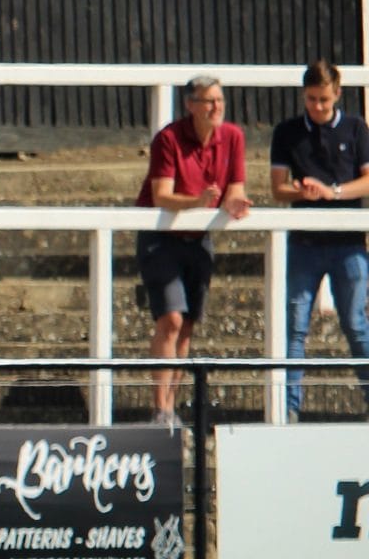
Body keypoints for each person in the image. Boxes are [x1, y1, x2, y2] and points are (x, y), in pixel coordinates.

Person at [137, 75, 249, 428]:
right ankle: (161, 409)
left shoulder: (233, 137)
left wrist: (234, 202)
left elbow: (235, 186)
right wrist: (197, 201)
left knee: (186, 326)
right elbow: (161, 195)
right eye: (208, 101)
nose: (216, 107)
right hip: (162, 238)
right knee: (169, 319)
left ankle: (171, 406)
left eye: (220, 100)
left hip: (198, 239)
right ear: (191, 105)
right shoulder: (169, 138)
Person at [268, 59, 369, 419]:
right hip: (304, 243)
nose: (318, 106)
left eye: (324, 99)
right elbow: (277, 188)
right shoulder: (287, 132)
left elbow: (368, 180)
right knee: (295, 327)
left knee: (356, 324)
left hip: (348, 243)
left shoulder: (356, 128)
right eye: (311, 99)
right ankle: (289, 409)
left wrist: (333, 192)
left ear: (337, 94)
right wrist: (302, 191)